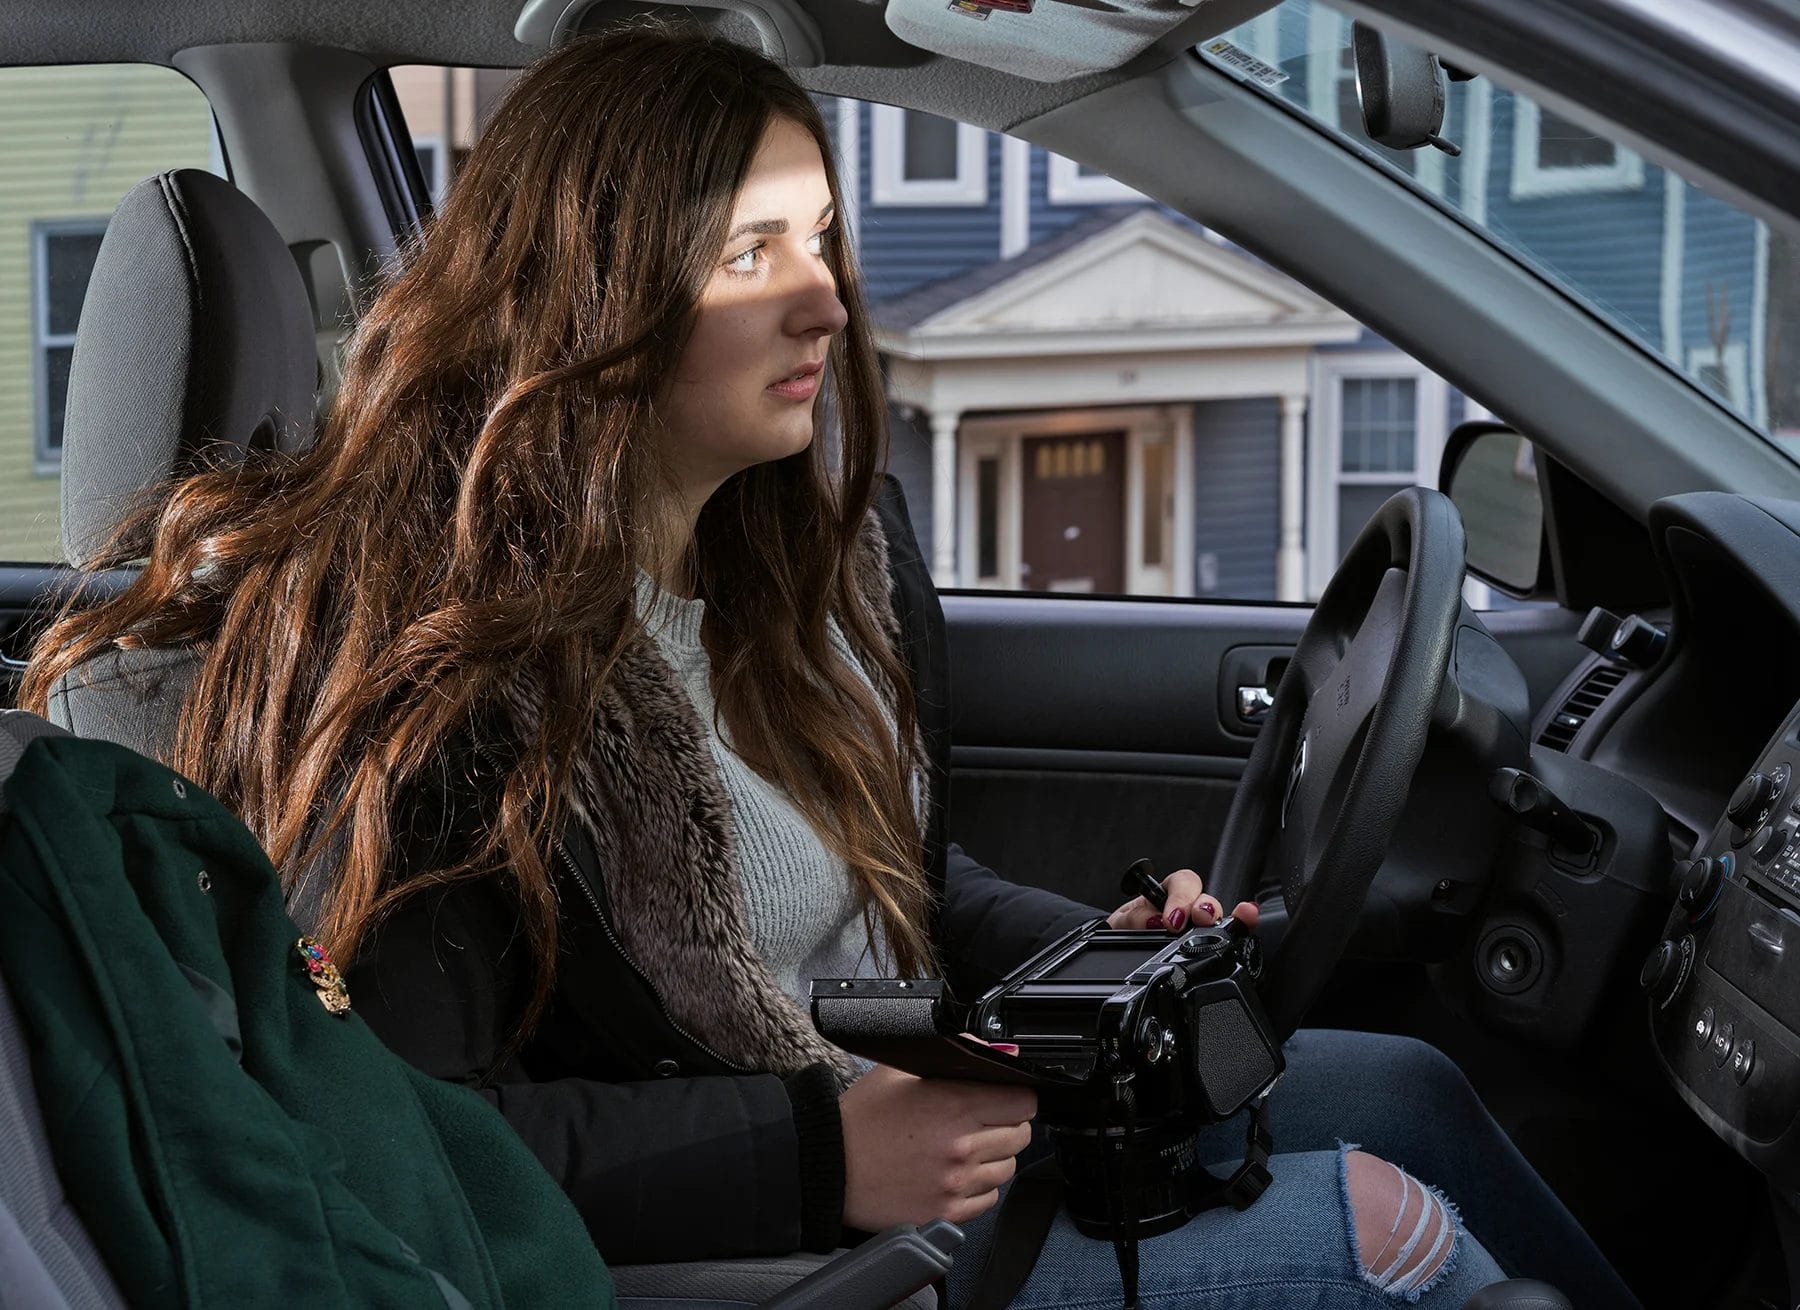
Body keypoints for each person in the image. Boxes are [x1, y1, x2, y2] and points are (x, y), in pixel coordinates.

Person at [25, 27, 1637, 1309]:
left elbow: (897, 889)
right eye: (750, 254)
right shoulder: (425, 664)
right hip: (797, 1251)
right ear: (592, 286)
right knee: (1383, 1228)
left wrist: (1095, 961)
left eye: (824, 237)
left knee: (1410, 1087)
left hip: (935, 1142)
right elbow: (412, 1132)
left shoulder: (796, 568)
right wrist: (826, 1150)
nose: (824, 293)